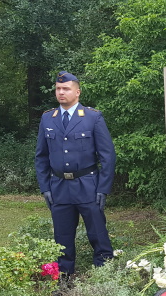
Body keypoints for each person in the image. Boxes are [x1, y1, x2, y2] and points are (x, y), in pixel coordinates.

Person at [35, 71, 116, 281]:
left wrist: (103, 188)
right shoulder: (47, 118)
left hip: (88, 185)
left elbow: (107, 156)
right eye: (58, 89)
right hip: (59, 186)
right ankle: (64, 277)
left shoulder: (92, 117)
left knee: (98, 234)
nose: (61, 92)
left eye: (66, 88)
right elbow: (41, 157)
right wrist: (45, 187)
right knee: (62, 238)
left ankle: (104, 276)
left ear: (77, 92)